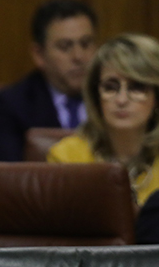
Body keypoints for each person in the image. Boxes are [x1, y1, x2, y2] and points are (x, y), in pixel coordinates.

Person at [48, 33, 159, 206]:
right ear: (95, 96)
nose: (121, 100)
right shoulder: (67, 158)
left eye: (137, 87)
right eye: (110, 87)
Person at [0, 0, 99, 162]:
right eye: (65, 46)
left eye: (86, 44)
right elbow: (7, 180)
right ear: (39, 54)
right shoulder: (10, 106)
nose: (79, 56)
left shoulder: (113, 97)